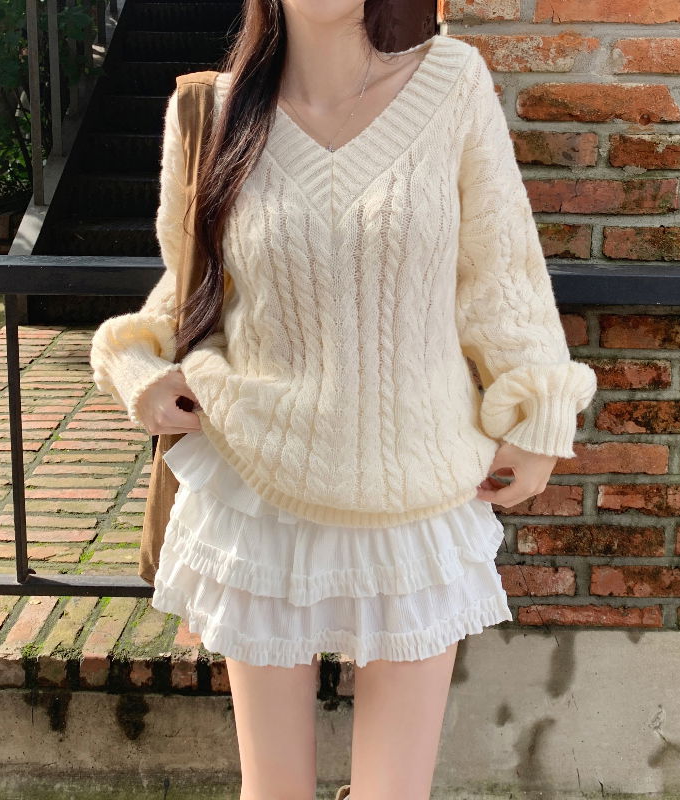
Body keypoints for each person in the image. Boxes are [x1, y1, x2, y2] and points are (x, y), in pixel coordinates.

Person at [89, 1, 598, 798]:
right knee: (274, 791)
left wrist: (538, 412)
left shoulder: (451, 83)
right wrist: (133, 365)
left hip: (416, 487)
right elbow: (188, 289)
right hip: (258, 485)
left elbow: (501, 273)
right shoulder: (214, 115)